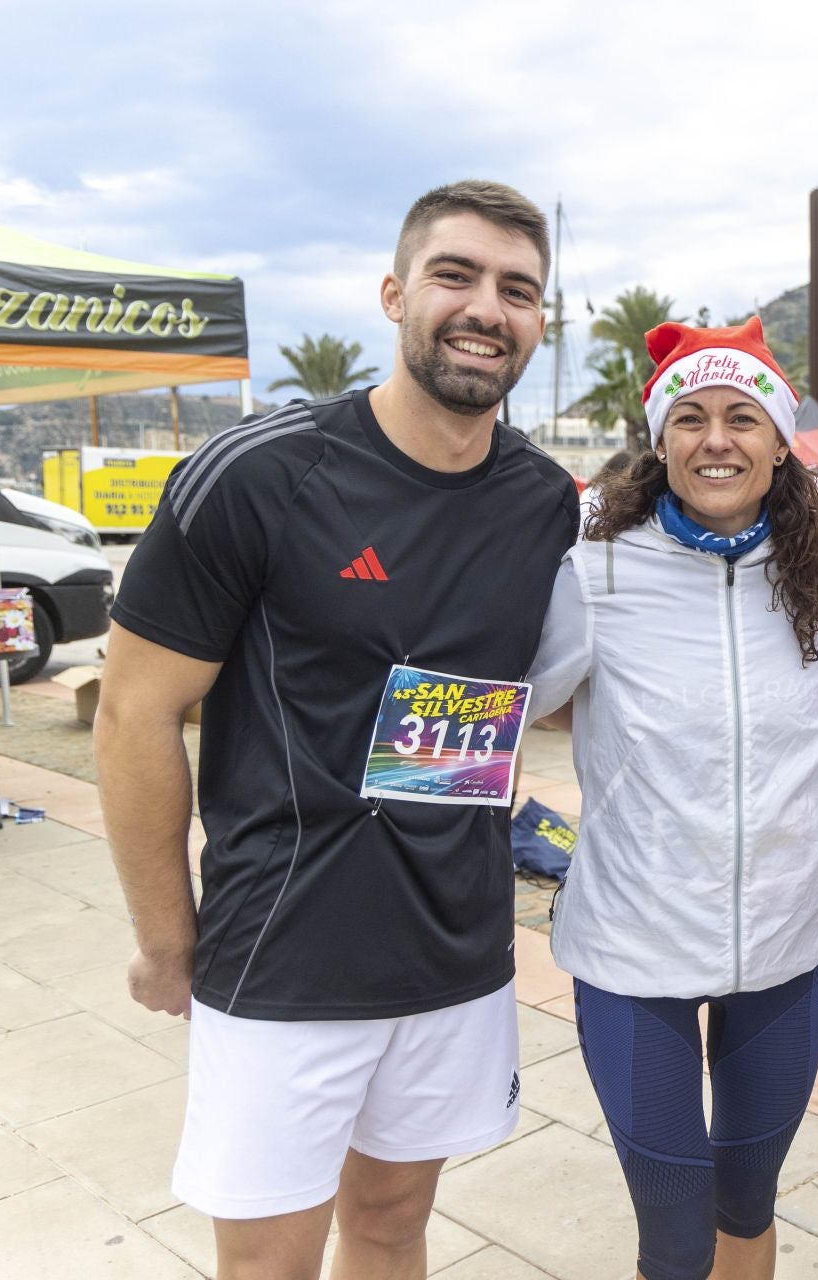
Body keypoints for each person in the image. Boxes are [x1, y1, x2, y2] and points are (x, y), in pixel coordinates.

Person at [97, 180, 578, 1280]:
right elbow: (134, 712)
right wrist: (169, 938)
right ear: (394, 290)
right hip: (284, 954)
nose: (485, 308)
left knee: (395, 1229)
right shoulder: (258, 475)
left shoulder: (546, 499)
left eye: (518, 290)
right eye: (456, 275)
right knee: (268, 1262)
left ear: (538, 322)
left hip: (458, 951)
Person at [524, 317, 818, 1280]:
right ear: (662, 439)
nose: (718, 439)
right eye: (694, 418)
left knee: (747, 1201)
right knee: (674, 1232)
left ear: (780, 440)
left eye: (744, 418)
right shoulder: (597, 569)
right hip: (634, 952)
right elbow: (513, 705)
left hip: (789, 946)